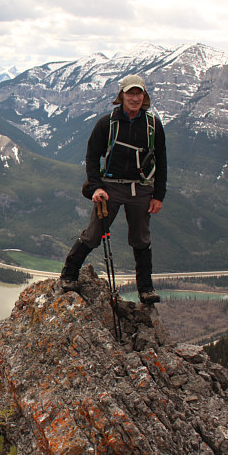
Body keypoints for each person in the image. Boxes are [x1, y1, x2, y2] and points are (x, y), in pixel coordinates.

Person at [59, 73, 167, 304]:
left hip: (141, 189)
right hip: (111, 187)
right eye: (131, 93)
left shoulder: (153, 125)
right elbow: (91, 158)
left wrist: (159, 195)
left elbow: (162, 161)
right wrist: (97, 187)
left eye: (139, 93)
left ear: (144, 96)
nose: (135, 98)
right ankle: (68, 274)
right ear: (122, 95)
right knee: (94, 234)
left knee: (141, 238)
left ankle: (145, 289)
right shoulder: (106, 124)